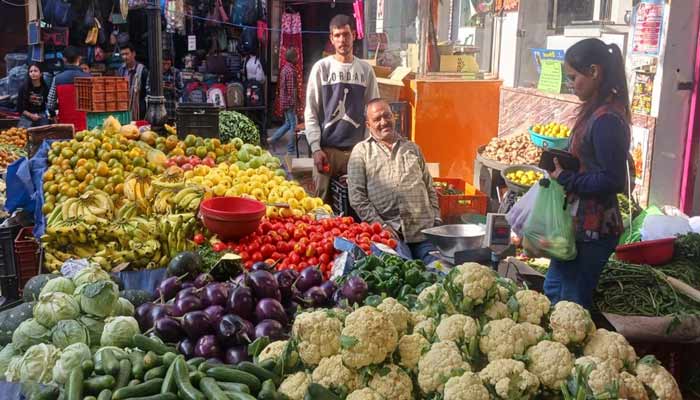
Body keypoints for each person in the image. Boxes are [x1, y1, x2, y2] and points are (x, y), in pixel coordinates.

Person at [545, 38, 631, 309]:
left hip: (594, 231)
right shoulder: (596, 111)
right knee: (554, 290)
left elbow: (613, 179)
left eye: (573, 77)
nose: (570, 84)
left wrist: (567, 178)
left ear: (594, 72)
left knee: (570, 303)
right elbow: (592, 162)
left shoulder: (607, 120)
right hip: (576, 227)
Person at [347, 99, 441, 264]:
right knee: (403, 273)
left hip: (424, 230)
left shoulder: (412, 148)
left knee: (437, 271)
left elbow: (429, 186)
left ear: (394, 117)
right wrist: (381, 226)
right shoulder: (361, 151)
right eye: (377, 119)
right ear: (368, 125)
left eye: (387, 116)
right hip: (389, 234)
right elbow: (357, 197)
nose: (384, 122)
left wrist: (436, 218)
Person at [305, 14, 379, 204]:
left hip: (357, 152)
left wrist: (369, 149)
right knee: (321, 207)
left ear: (354, 35)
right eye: (337, 35)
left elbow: (374, 111)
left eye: (346, 34)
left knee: (358, 207)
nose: (342, 40)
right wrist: (315, 148)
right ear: (331, 38)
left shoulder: (365, 70)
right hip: (327, 151)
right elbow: (311, 111)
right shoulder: (322, 69)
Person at [47, 46, 91, 130]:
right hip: (85, 125)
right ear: (79, 58)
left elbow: (50, 103)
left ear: (64, 59)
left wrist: (53, 115)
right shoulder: (89, 78)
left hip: (65, 125)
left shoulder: (57, 78)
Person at [268, 47, 299, 155]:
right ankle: (290, 150)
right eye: (297, 56)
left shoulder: (285, 68)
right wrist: (294, 103)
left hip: (284, 101)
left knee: (288, 124)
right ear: (293, 58)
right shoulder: (291, 71)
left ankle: (273, 139)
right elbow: (292, 89)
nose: (298, 58)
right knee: (293, 126)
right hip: (289, 102)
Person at [118, 43, 149, 120]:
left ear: (133, 54)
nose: (124, 57)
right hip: (124, 106)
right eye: (122, 54)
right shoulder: (121, 69)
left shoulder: (143, 70)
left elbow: (146, 92)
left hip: (139, 107)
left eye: (127, 54)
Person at [17, 63, 50, 128]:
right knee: (22, 134)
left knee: (44, 133)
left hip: (41, 115)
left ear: (41, 73)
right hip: (27, 115)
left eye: (35, 71)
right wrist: (31, 115)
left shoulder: (45, 87)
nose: (33, 73)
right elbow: (20, 108)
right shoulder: (23, 87)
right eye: (31, 71)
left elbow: (48, 103)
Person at [162, 52, 184, 123]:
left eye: (167, 64)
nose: (165, 66)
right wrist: (159, 88)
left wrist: (172, 89)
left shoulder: (176, 73)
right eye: (163, 64)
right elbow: (148, 89)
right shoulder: (154, 72)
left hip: (171, 111)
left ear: (171, 63)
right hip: (157, 111)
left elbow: (181, 92)